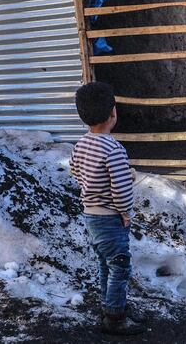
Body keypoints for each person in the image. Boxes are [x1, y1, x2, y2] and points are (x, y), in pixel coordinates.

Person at [69, 81, 146, 335]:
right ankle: (114, 316)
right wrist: (126, 213)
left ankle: (111, 305)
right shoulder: (113, 149)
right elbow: (121, 191)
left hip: (91, 215)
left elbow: (75, 170)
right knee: (120, 264)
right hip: (111, 218)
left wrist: (92, 186)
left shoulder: (81, 145)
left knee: (106, 264)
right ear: (113, 112)